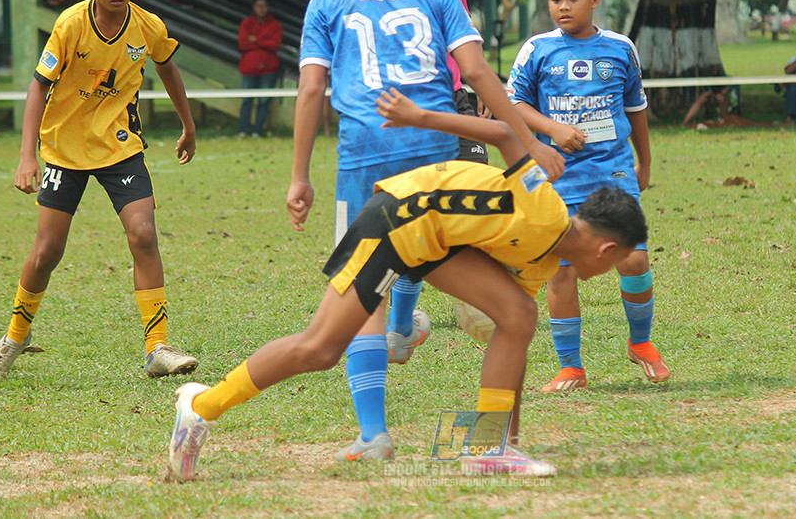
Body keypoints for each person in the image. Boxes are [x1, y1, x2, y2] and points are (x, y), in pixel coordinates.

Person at [168, 87, 646, 481]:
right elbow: (503, 131)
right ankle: (203, 405)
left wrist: (487, 314)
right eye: (622, 259)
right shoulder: (543, 209)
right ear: (605, 250)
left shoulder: (544, 261)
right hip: (394, 223)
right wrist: (421, 115)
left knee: (519, 316)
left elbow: (511, 332)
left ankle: (491, 448)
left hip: (432, 246)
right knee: (320, 349)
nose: (617, 267)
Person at [290, 0, 563, 463]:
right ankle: (495, 441)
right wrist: (530, 140)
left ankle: (374, 434)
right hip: (437, 159)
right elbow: (480, 73)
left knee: (360, 298)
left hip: (363, 164)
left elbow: (313, 90)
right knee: (506, 302)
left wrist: (299, 177)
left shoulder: (326, 0)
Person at [0, 0, 199, 382]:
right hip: (63, 150)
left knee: (143, 234)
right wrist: (27, 156)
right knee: (47, 251)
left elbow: (168, 67)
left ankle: (157, 347)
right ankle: (14, 338)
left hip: (120, 147)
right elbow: (38, 88)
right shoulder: (71, 24)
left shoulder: (148, 26)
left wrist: (188, 124)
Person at [506, 0, 669, 393]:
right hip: (558, 175)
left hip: (612, 169)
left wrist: (645, 161)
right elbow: (514, 104)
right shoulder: (536, 50)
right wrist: (551, 129)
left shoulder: (620, 48)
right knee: (562, 269)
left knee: (633, 255)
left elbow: (636, 109)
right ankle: (571, 366)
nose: (563, 7)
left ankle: (642, 343)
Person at [386, 0, 489, 359]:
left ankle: (479, 300)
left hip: (456, 103)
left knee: (479, 196)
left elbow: (461, 41)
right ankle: (400, 324)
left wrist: (482, 89)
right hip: (403, 112)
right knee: (417, 217)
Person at [237, 0, 283, 137]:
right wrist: (265, 41)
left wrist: (256, 39)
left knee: (264, 101)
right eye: (258, 6)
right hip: (249, 68)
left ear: (268, 8)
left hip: (269, 68)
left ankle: (258, 131)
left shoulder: (275, 25)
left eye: (264, 6)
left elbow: (275, 45)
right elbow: (243, 44)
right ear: (254, 7)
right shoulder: (246, 23)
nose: (261, 9)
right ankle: (243, 130)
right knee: (246, 99)